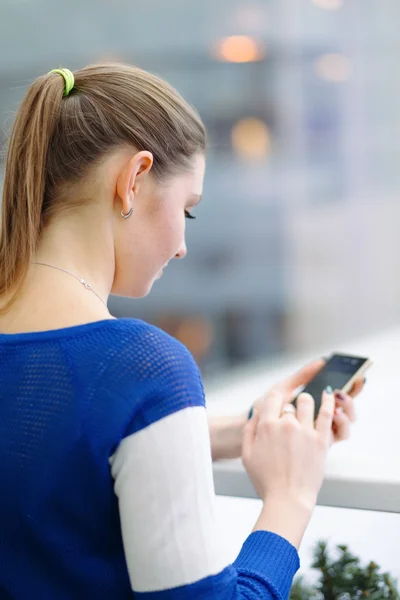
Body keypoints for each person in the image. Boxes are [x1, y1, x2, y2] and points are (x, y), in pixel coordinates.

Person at [0, 64, 364, 600]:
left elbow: (66, 434)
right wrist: (289, 497)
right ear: (134, 179)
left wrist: (231, 431)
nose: (182, 247)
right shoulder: (141, 365)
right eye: (188, 212)